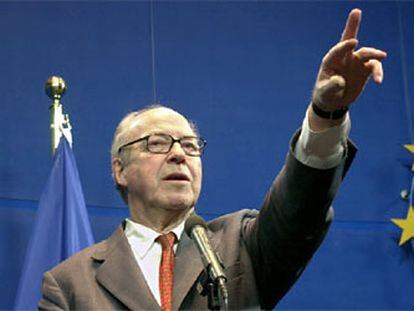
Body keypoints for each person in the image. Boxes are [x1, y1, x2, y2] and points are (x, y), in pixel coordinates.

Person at [39, 8, 386, 310]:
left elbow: (301, 207)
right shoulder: (70, 284)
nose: (178, 154)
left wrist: (327, 113)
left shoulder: (242, 245)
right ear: (120, 170)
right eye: (157, 143)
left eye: (190, 146)